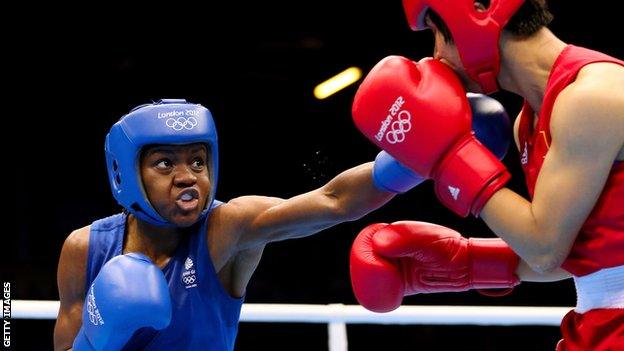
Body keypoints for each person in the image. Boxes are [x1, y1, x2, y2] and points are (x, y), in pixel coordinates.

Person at [53, 97, 510, 351]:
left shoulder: (227, 228)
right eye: (164, 164)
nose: (187, 176)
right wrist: (99, 341)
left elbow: (333, 201)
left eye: (197, 159)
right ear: (125, 174)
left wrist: (418, 157)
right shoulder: (84, 248)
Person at [349, 0, 624, 350]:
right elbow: (581, 252)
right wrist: (467, 263)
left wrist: (451, 158)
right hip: (596, 324)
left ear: (478, 13)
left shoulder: (594, 95)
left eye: (436, 33)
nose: (435, 55)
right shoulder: (529, 122)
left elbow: (544, 249)